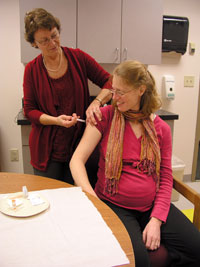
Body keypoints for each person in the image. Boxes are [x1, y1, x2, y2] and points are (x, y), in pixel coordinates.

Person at [70, 60, 200, 266]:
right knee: (138, 261)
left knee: (197, 247)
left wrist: (156, 220)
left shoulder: (161, 129)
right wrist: (92, 197)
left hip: (151, 206)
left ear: (141, 90)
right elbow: (76, 160)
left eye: (121, 92)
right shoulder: (105, 116)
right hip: (114, 205)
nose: (114, 97)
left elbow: (165, 178)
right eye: (113, 90)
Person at [23, 8, 112, 183]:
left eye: (54, 35)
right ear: (34, 43)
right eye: (44, 41)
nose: (52, 43)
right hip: (46, 153)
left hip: (80, 148)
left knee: (79, 200)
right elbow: (29, 110)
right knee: (49, 200)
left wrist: (97, 102)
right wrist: (55, 120)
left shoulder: (78, 58)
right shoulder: (31, 70)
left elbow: (110, 82)